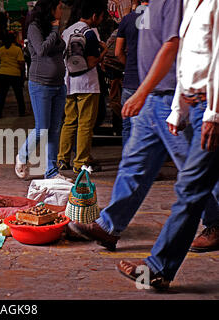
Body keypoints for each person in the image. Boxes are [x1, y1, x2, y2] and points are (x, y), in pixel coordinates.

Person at [67, 0, 219, 252]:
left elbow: (172, 46)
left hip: (169, 95)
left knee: (195, 170)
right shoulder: (146, 9)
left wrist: (142, 92)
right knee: (134, 165)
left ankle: (215, 223)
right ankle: (109, 227)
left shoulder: (171, 2)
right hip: (153, 96)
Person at [116, 0, 219, 290]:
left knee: (191, 188)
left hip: (211, 107)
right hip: (195, 105)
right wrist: (179, 108)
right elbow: (187, 59)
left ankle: (158, 268)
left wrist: (214, 114)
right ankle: (159, 268)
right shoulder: (190, 5)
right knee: (194, 188)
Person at [15, 0, 71, 182]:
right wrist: (55, 31)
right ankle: (22, 157)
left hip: (58, 84)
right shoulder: (34, 27)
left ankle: (52, 171)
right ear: (50, 8)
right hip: (41, 84)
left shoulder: (52, 27)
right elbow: (41, 50)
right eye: (59, 7)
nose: (61, 10)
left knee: (55, 129)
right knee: (42, 128)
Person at [57, 0, 108, 174]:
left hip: (68, 82)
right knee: (86, 124)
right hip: (87, 85)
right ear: (94, 16)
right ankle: (80, 162)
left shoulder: (66, 31)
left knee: (69, 121)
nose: (100, 20)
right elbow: (92, 61)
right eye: (101, 17)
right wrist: (104, 52)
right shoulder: (90, 33)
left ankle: (62, 159)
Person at [115, 1, 148, 147]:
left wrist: (129, 65)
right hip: (150, 82)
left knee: (128, 126)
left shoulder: (127, 20)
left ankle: (128, 163)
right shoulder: (159, 18)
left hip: (130, 79)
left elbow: (118, 52)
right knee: (147, 127)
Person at [0, 32, 26, 118]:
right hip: (15, 74)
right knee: (19, 95)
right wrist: (22, 74)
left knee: (2, 95)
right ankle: (22, 112)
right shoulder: (17, 49)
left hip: (3, 73)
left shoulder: (0, 50)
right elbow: (21, 63)